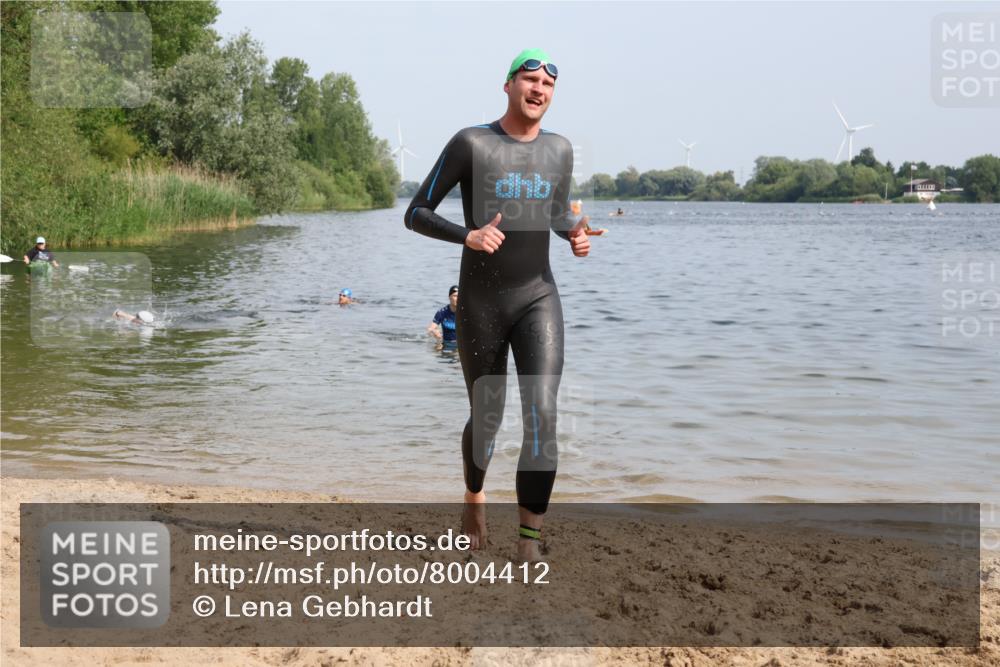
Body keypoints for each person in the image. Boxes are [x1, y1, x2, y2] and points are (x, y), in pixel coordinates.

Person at [404, 48, 602, 562]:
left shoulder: (560, 149)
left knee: (542, 413)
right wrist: (466, 237)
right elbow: (416, 212)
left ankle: (529, 542)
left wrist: (575, 234)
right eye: (530, 80)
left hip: (538, 294)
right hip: (482, 299)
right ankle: (474, 497)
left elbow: (555, 212)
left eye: (548, 85)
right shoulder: (472, 142)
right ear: (508, 85)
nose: (539, 90)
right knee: (486, 416)